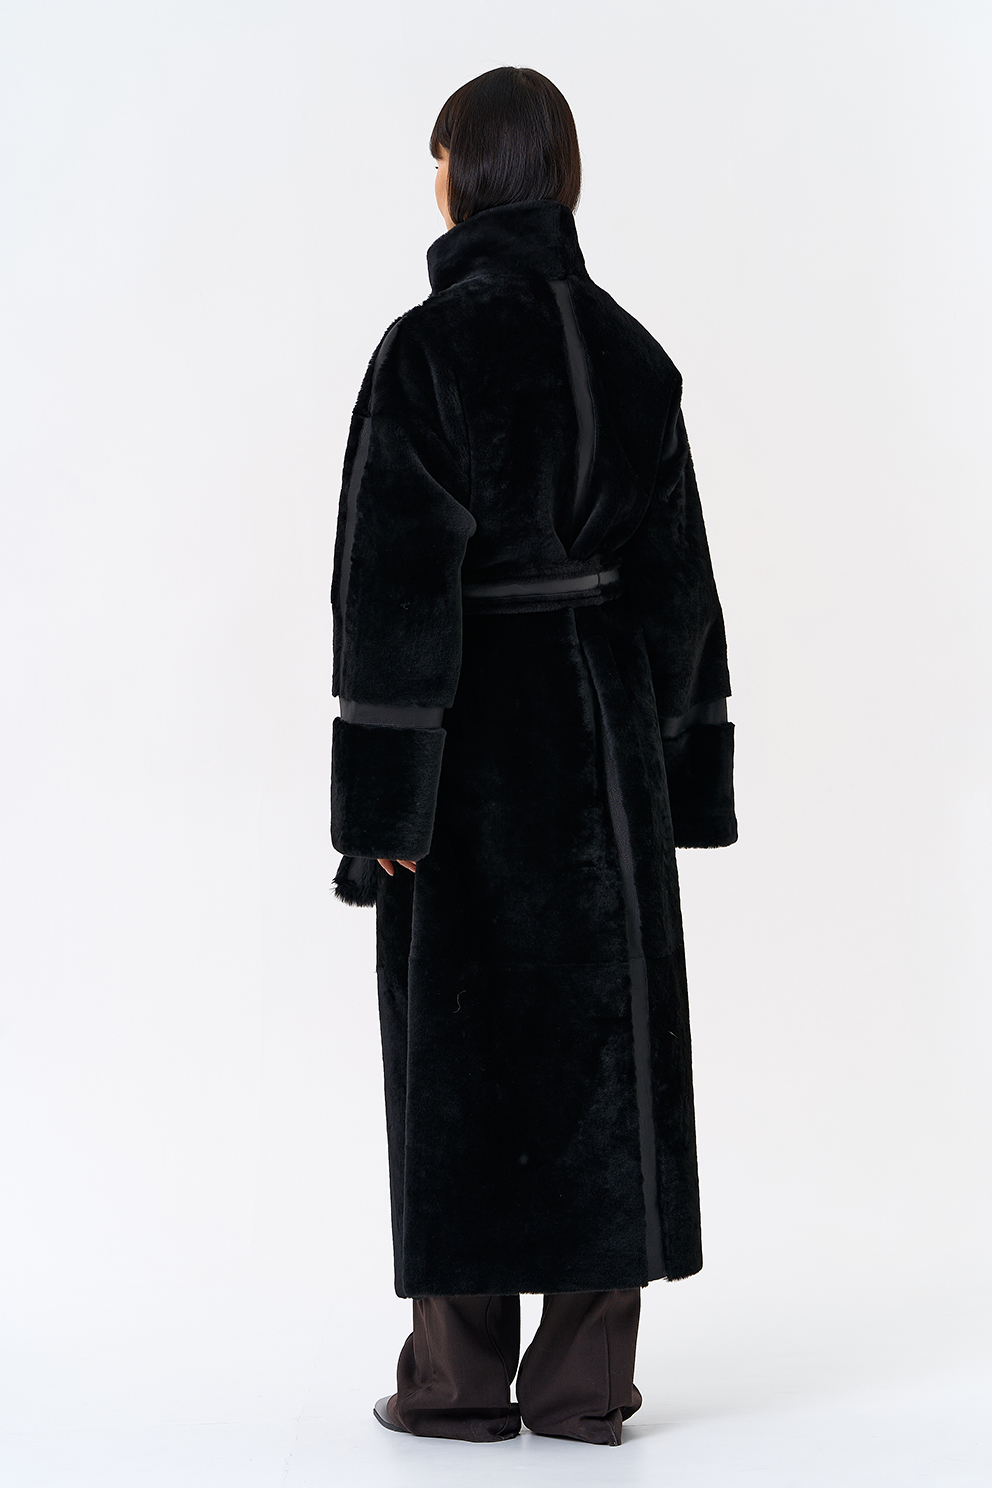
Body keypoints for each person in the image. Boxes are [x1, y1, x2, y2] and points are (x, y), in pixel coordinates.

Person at [330, 66, 737, 1447]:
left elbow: (389, 589)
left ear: (462, 175)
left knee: (456, 1045)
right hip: (605, 738)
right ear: (563, 178)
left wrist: (382, 805)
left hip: (467, 744)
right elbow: (680, 585)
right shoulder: (633, 355)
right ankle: (582, 1382)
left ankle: (453, 1384)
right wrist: (680, 764)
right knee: (606, 1045)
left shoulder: (425, 352)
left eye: (437, 159)